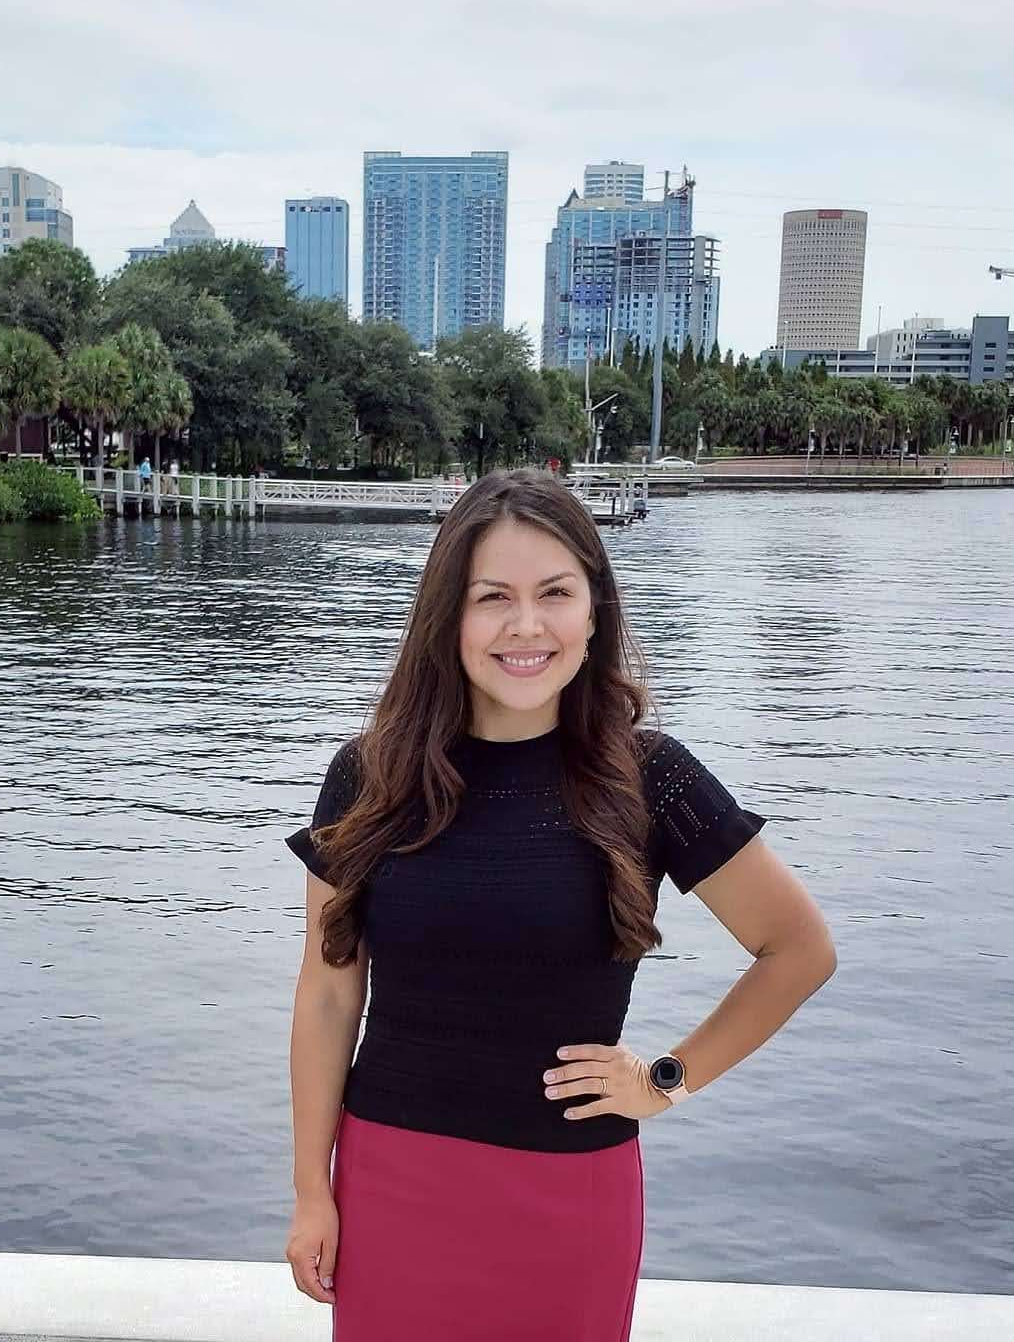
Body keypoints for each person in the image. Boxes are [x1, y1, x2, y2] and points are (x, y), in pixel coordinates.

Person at [283, 468, 836, 1339]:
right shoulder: (371, 775)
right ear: (447, 616)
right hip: (391, 1181)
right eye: (491, 597)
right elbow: (326, 995)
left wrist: (666, 1081)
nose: (525, 625)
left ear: (595, 608)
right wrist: (314, 1192)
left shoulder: (650, 776)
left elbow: (799, 950)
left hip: (570, 1194)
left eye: (554, 593)